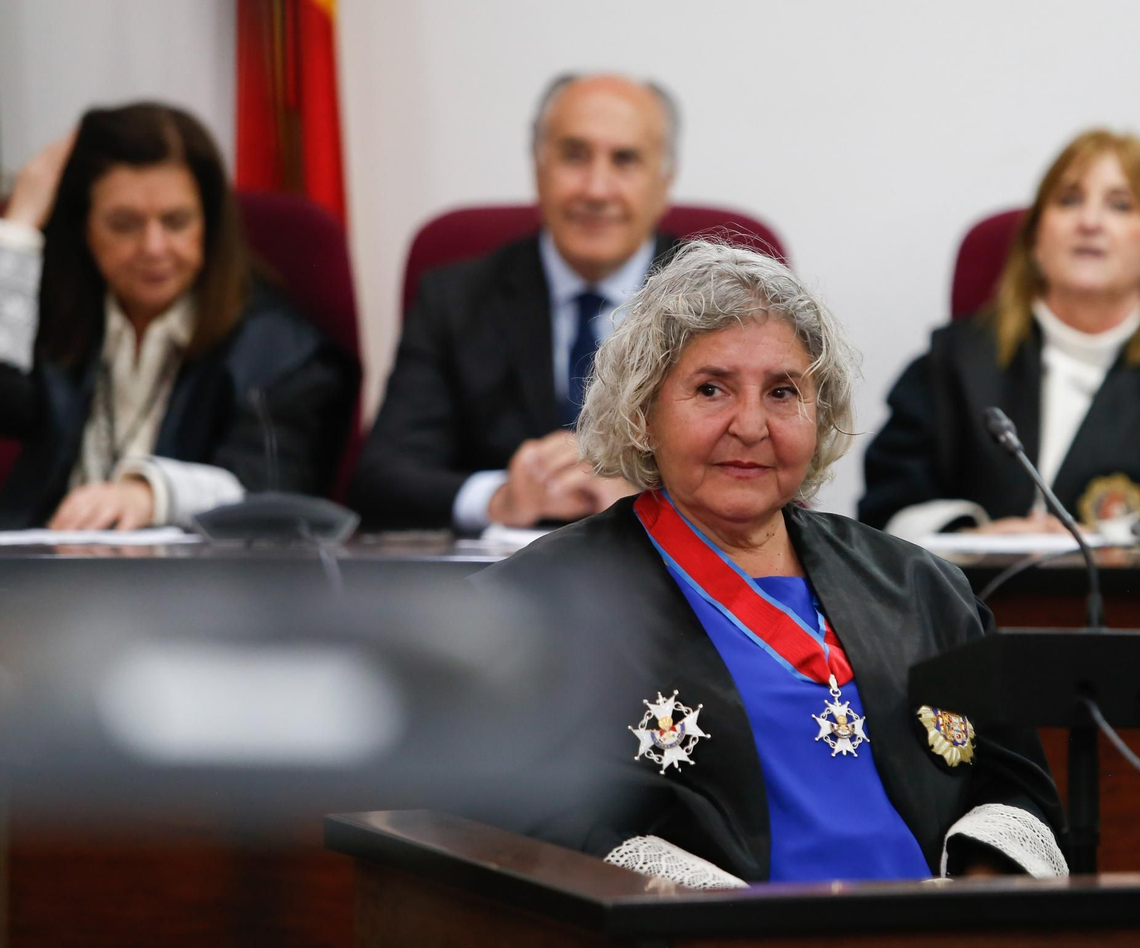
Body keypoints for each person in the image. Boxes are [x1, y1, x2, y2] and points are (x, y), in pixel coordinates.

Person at [470, 241, 1067, 886]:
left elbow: (1014, 782)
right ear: (643, 414)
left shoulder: (924, 588)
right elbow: (520, 821)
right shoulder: (544, 602)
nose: (751, 425)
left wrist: (969, 908)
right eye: (711, 389)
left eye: (783, 392)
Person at [859, 128, 1140, 539]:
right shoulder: (954, 365)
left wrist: (1122, 543)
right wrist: (973, 537)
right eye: (1068, 200)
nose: (1090, 222)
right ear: (1035, 240)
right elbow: (883, 516)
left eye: (1120, 205)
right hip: (973, 602)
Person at [0, 102, 356, 530]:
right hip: (45, 563)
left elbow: (271, 487)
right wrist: (18, 228)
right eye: (124, 224)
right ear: (83, 228)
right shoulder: (57, 318)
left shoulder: (276, 346)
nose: (154, 247)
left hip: (193, 571)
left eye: (176, 221)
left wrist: (152, 495)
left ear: (209, 224)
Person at [350, 72, 681, 532]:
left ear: (664, 182)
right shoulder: (456, 300)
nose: (596, 189)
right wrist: (500, 497)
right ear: (538, 168)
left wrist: (653, 497)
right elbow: (382, 480)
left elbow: (764, 480)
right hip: (504, 571)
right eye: (574, 156)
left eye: (625, 160)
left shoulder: (720, 306)